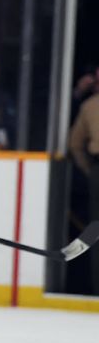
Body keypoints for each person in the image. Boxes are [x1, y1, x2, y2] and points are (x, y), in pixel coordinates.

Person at [69, 81, 99, 296]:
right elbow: (75, 144)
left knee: (96, 230)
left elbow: (76, 145)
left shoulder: (90, 104)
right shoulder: (90, 105)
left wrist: (91, 171)